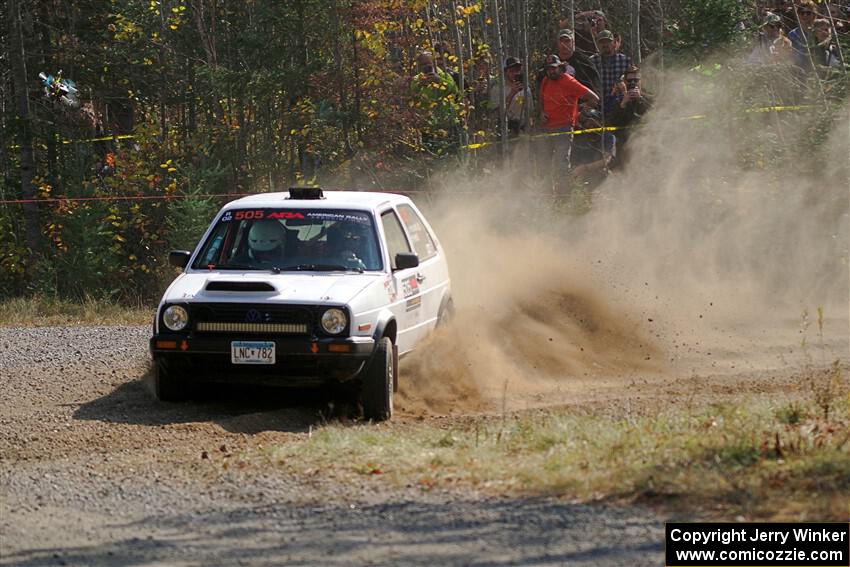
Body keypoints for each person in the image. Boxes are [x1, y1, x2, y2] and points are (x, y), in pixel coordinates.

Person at [539, 54, 600, 170]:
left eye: (553, 68)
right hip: (546, 127)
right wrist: (541, 112)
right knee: (544, 163)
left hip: (564, 127)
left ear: (560, 67)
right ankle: (547, 188)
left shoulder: (569, 81)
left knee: (561, 161)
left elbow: (594, 99)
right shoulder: (545, 80)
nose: (551, 71)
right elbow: (541, 98)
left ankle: (564, 187)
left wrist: (579, 109)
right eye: (548, 69)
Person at [410, 51, 461, 154]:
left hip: (448, 121)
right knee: (431, 154)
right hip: (429, 126)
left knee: (453, 152)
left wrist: (440, 80)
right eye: (423, 64)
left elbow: (454, 91)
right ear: (419, 66)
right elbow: (412, 94)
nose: (426, 66)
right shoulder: (416, 80)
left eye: (428, 63)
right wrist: (421, 84)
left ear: (434, 63)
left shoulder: (445, 75)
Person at [607, 66, 653, 168]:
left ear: (641, 81)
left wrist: (640, 99)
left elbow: (654, 115)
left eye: (635, 80)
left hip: (647, 143)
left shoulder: (648, 98)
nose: (632, 83)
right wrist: (623, 104)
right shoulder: (619, 101)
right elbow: (611, 124)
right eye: (629, 80)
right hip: (624, 147)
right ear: (624, 82)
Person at [489, 56, 533, 138]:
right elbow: (497, 113)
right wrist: (512, 93)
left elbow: (530, 111)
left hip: (522, 127)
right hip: (505, 128)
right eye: (511, 71)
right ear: (505, 72)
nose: (515, 73)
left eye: (517, 70)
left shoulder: (526, 89)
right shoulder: (497, 89)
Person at [590, 30, 632, 115]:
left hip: (620, 104)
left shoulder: (625, 60)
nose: (605, 45)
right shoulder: (592, 61)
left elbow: (633, 81)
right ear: (597, 45)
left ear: (614, 43)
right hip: (598, 104)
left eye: (608, 42)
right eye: (602, 42)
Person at [549, 28, 601, 96]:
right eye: (561, 41)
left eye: (567, 41)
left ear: (573, 42)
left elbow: (596, 85)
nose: (564, 44)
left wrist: (589, 103)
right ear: (557, 43)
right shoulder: (551, 61)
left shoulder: (583, 61)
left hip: (579, 102)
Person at [571, 109, 615, 186]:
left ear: (600, 121)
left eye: (594, 120)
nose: (590, 124)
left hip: (599, 172)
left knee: (606, 176)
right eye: (586, 122)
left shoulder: (608, 137)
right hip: (579, 173)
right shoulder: (579, 136)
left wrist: (585, 168)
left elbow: (606, 160)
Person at [788, 1, 818, 71]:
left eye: (808, 13)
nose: (805, 15)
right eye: (802, 13)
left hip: (818, 69)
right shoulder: (793, 34)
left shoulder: (819, 32)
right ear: (798, 15)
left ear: (814, 15)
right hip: (800, 70)